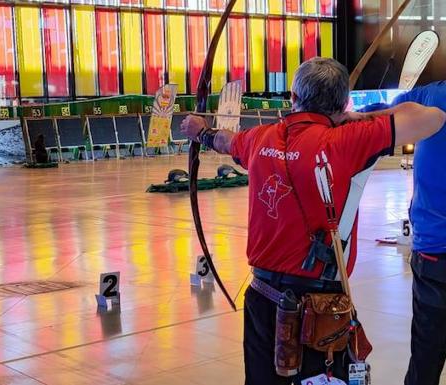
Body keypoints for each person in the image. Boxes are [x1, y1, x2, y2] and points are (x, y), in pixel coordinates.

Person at [180, 57, 446, 384]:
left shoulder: (260, 138)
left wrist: (201, 132)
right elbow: (433, 117)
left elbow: (224, 141)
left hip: (263, 300)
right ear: (342, 102)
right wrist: (354, 117)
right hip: (321, 309)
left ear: (293, 98)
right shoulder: (348, 139)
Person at [384, 81, 446, 385]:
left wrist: (336, 119)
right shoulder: (429, 96)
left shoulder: (432, 95)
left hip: (433, 251)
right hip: (433, 249)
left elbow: (382, 115)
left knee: (426, 355)